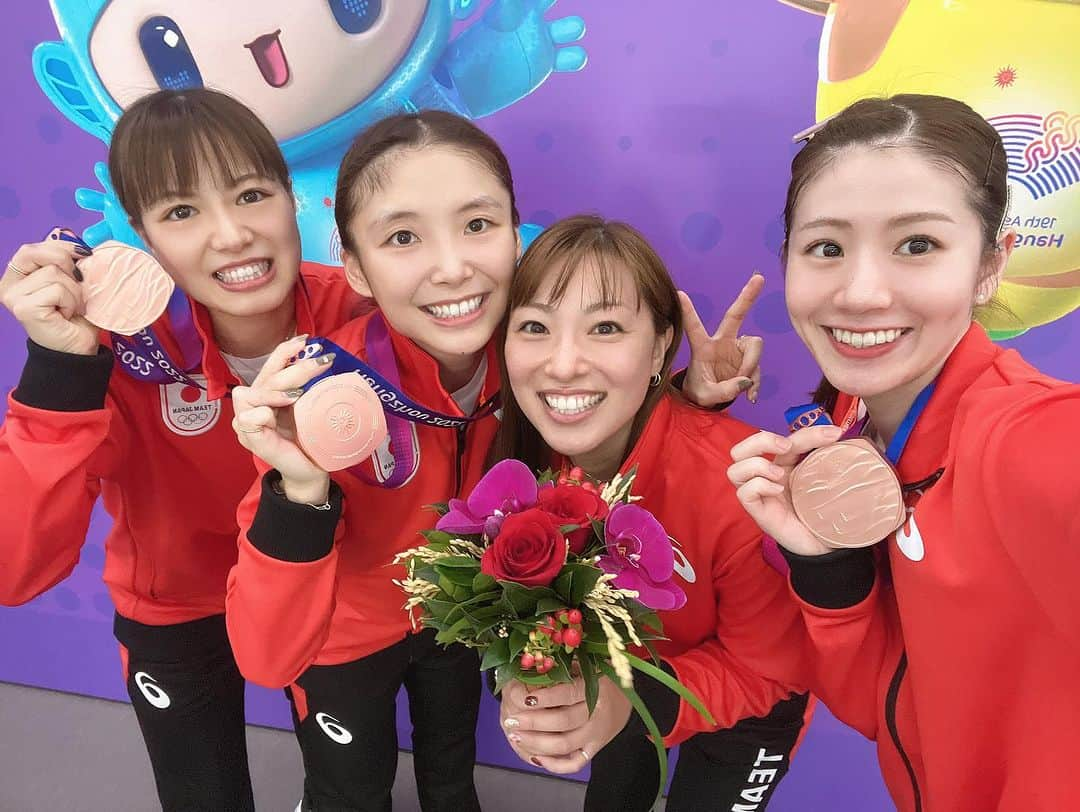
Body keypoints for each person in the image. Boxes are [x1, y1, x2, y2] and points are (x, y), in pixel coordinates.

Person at [227, 110, 766, 811]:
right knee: (348, 793)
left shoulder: (532, 361)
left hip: (457, 628)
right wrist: (297, 492)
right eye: (402, 237)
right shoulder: (323, 392)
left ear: (516, 236)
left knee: (452, 782)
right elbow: (266, 659)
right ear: (354, 266)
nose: (452, 266)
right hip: (343, 638)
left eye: (477, 226)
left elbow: (615, 421)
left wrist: (684, 399)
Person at [0, 88, 361, 811]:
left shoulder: (359, 318)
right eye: (181, 212)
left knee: (349, 793)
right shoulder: (118, 347)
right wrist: (60, 366)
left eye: (252, 194)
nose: (231, 235)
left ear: (292, 198)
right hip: (172, 613)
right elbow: (16, 570)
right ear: (142, 234)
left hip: (324, 595)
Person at [727, 94, 1080, 812]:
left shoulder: (1022, 436)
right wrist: (827, 567)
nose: (860, 292)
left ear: (990, 266)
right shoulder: (851, 422)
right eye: (826, 247)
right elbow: (891, 709)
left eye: (917, 244)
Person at [489, 215, 812, 811]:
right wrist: (524, 676)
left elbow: (769, 671)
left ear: (662, 342)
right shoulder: (520, 464)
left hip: (750, 700)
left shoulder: (741, 484)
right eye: (534, 325)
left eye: (605, 327)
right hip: (622, 672)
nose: (562, 364)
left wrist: (631, 697)